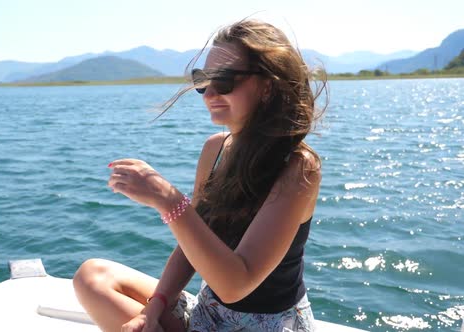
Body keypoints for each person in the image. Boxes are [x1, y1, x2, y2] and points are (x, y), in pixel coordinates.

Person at [73, 18, 327, 332]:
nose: (208, 93)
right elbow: (194, 243)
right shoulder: (216, 149)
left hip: (267, 325)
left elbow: (236, 284)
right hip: (211, 313)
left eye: (224, 80)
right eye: (203, 80)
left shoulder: (297, 168)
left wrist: (169, 201)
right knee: (93, 276)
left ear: (267, 86)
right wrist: (154, 308)